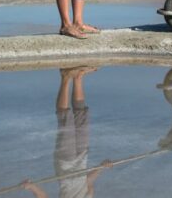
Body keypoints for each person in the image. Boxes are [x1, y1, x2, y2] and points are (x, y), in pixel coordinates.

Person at [21, 67, 113, 198]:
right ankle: (78, 77)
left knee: (66, 120)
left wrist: (32, 187)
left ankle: (65, 76)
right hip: (82, 158)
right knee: (82, 116)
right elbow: (87, 183)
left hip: (66, 165)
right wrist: (101, 167)